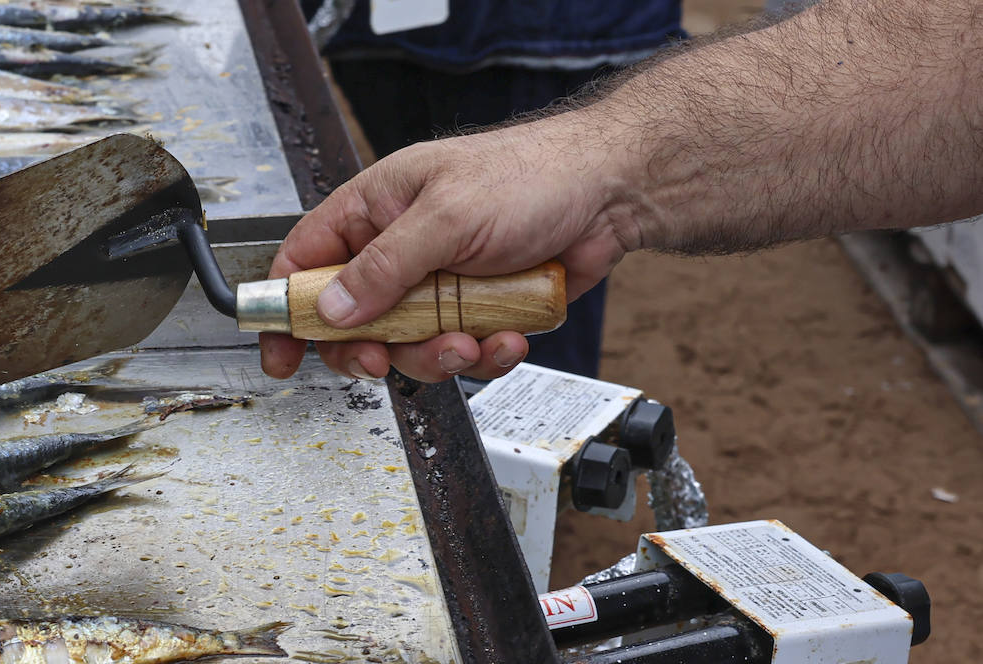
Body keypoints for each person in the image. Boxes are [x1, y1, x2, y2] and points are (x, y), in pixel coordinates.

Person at [259, 0, 983, 383]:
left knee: (538, 367)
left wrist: (603, 172)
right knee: (443, 249)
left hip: (559, 29)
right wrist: (600, 168)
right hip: (392, 31)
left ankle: (534, 486)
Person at [311, 0, 685, 378]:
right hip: (376, 35)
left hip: (546, 33)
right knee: (419, 250)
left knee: (549, 281)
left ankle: (537, 418)